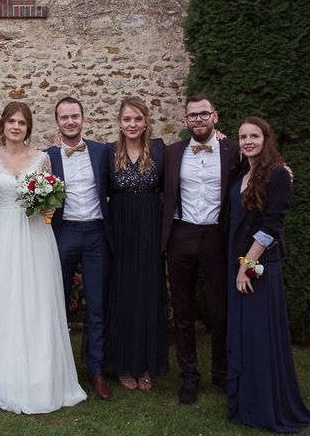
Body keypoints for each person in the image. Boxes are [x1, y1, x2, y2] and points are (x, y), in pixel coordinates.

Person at [0, 101, 86, 414]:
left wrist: (49, 205)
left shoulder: (42, 159)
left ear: (28, 128)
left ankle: (40, 376)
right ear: (3, 125)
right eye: (11, 122)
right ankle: (1, 375)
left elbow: (53, 198)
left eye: (22, 122)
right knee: (4, 300)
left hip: (36, 237)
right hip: (4, 236)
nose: (16, 127)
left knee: (37, 301)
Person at [226, 116, 310, 432]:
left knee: (260, 337)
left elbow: (271, 226)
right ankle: (246, 402)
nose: (248, 141)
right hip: (239, 266)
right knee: (246, 337)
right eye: (243, 136)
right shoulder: (244, 172)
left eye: (254, 136)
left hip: (258, 268)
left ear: (265, 138)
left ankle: (265, 406)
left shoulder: (278, 174)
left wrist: (246, 267)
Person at [161, 94, 241, 405]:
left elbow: (261, 165)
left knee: (220, 312)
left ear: (215, 117)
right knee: (182, 312)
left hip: (216, 238)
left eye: (204, 114)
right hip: (181, 235)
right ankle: (189, 377)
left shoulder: (234, 150)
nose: (198, 119)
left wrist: (282, 170)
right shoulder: (171, 153)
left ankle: (220, 373)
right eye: (192, 115)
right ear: (185, 120)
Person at [45, 96, 113, 400]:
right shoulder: (47, 157)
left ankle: (96, 369)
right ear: (57, 122)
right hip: (64, 233)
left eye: (75, 116)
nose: (70, 121)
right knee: (55, 305)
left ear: (83, 118)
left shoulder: (102, 152)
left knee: (97, 306)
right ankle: (56, 369)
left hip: (97, 233)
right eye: (64, 117)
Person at [106, 97, 168, 391]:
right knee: (123, 294)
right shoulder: (108, 152)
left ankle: (146, 365)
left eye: (138, 119)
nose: (132, 124)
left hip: (149, 230)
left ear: (146, 122)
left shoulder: (159, 150)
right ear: (119, 122)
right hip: (120, 231)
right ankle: (123, 365)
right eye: (127, 119)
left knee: (147, 293)